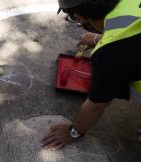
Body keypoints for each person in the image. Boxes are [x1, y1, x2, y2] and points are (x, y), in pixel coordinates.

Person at [41, 0, 141, 150]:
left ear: (79, 18)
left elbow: (97, 105)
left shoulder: (108, 54)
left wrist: (74, 132)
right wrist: (98, 39)